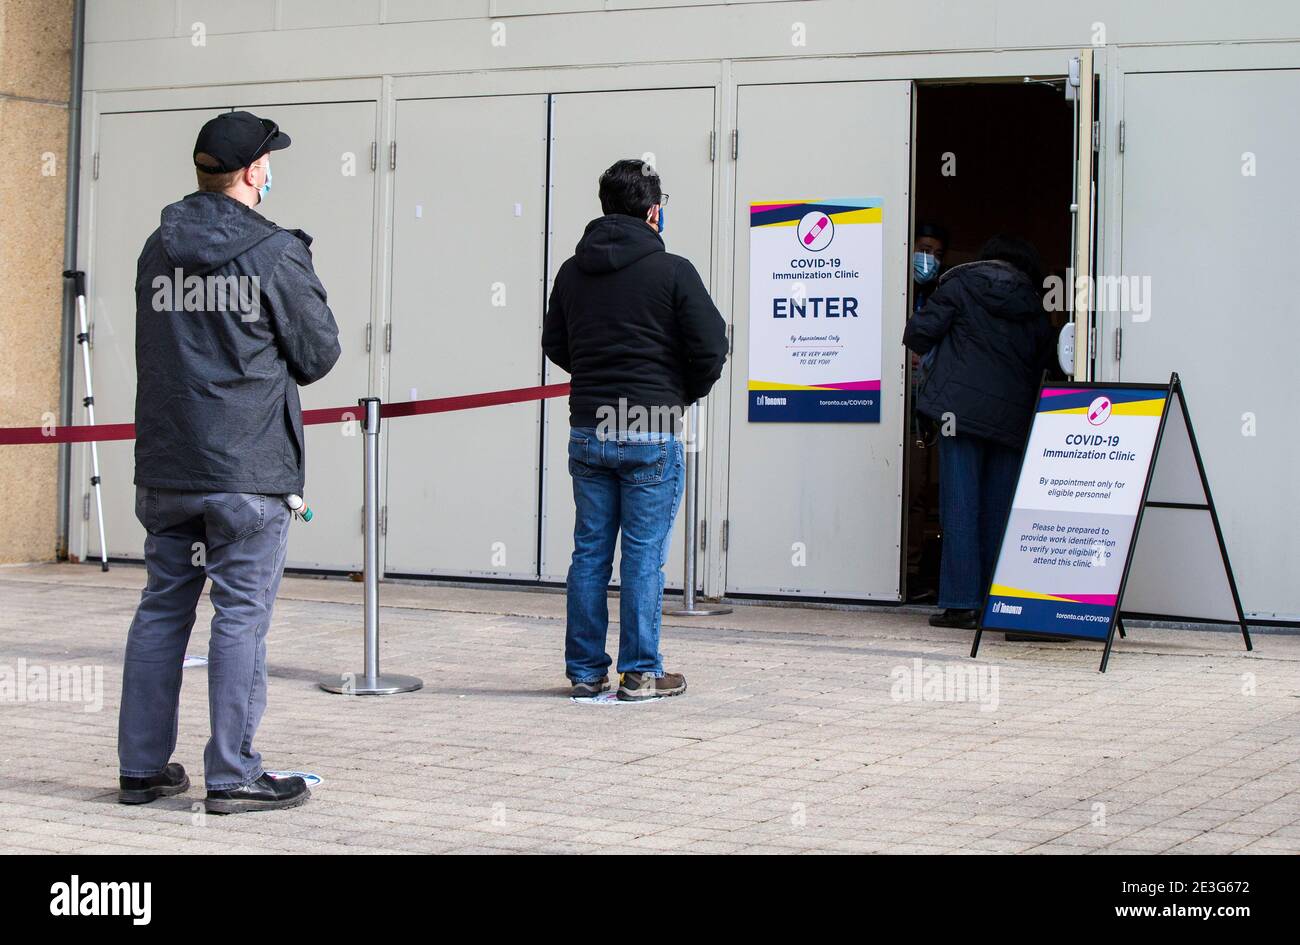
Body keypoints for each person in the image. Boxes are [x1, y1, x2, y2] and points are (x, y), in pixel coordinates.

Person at [117, 111, 341, 813]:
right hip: (245, 472)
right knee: (240, 616)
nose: (272, 170)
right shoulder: (274, 253)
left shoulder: (158, 247)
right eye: (269, 160)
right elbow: (318, 354)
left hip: (167, 466)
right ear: (252, 172)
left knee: (161, 610)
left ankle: (143, 768)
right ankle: (233, 772)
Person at [542, 159, 727, 701]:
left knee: (590, 553)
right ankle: (642, 672)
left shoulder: (572, 272)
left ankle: (584, 672)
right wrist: (681, 392)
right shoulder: (673, 270)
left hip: (591, 425)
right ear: (653, 211)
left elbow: (556, 344)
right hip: (652, 424)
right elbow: (711, 347)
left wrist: (598, 374)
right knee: (644, 555)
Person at [902, 235, 1054, 630]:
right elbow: (1046, 357)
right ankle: (995, 600)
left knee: (960, 505)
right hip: (1012, 417)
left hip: (960, 413)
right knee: (999, 509)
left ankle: (961, 603)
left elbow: (918, 333)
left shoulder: (959, 285)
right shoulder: (1033, 303)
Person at [906, 222, 948, 600]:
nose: (928, 259)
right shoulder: (897, 289)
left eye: (936, 253)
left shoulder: (943, 296)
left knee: (920, 490)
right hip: (894, 401)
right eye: (923, 249)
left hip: (928, 406)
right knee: (902, 487)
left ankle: (916, 571)